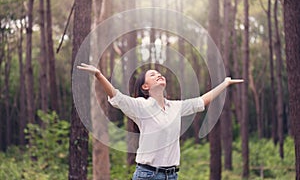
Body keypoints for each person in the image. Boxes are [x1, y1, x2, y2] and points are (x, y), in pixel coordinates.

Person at [77, 63, 243, 180]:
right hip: (147, 175)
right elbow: (116, 96)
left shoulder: (175, 107)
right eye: (152, 75)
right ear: (145, 87)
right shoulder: (141, 106)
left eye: (159, 73)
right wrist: (99, 75)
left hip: (171, 175)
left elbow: (202, 101)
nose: (158, 75)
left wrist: (225, 83)